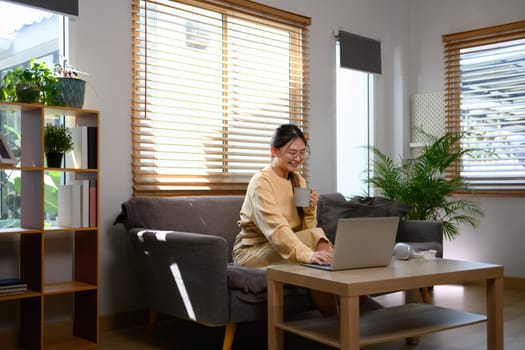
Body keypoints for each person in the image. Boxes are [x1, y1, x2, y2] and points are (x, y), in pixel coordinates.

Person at [232, 123, 337, 316]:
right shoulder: (261, 183)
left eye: (302, 153)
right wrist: (308, 254)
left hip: (286, 245)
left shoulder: (298, 181)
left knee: (320, 248)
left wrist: (309, 210)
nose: (298, 159)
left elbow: (306, 229)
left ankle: (347, 310)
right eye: (292, 153)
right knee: (319, 249)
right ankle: (336, 319)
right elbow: (277, 231)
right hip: (252, 252)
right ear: (274, 151)